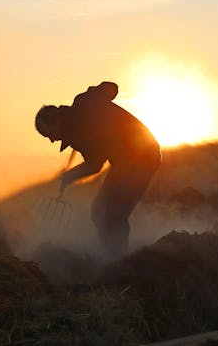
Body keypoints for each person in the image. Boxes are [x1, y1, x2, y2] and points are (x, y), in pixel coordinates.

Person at [35, 81, 161, 258]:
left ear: (56, 120)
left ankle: (119, 260)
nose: (51, 141)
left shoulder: (84, 105)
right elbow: (95, 164)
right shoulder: (77, 131)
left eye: (49, 134)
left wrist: (95, 96)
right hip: (123, 163)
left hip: (144, 156)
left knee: (115, 212)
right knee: (99, 209)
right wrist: (70, 176)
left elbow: (112, 87)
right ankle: (108, 254)